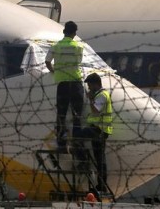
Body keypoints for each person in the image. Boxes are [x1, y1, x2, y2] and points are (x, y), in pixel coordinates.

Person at [45, 21, 84, 151]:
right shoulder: (78, 47)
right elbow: (78, 61)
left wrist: (53, 70)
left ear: (64, 32)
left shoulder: (56, 46)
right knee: (77, 114)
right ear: (74, 33)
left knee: (61, 114)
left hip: (62, 82)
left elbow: (47, 61)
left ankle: (61, 143)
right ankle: (77, 142)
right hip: (76, 81)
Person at [79, 73, 113, 193]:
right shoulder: (100, 94)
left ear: (95, 84)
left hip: (99, 130)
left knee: (78, 136)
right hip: (99, 129)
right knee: (99, 159)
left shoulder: (101, 95)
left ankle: (83, 160)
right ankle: (101, 185)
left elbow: (95, 111)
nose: (88, 87)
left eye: (89, 85)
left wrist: (90, 98)